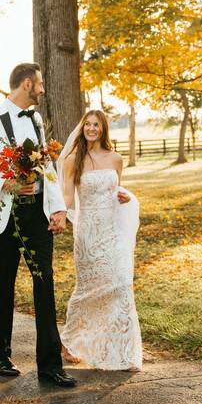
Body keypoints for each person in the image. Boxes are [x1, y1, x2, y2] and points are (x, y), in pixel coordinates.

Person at [0, 63, 76, 388]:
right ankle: (1, 354)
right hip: (3, 219)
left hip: (36, 218)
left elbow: (48, 166)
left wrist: (57, 209)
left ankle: (50, 367)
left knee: (45, 285)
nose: (42, 90)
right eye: (39, 84)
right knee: (2, 287)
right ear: (27, 84)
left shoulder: (36, 120)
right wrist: (6, 184)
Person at [57, 109, 143, 372]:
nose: (91, 129)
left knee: (120, 283)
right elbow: (69, 197)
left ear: (104, 129)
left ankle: (124, 352)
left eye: (96, 125)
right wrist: (60, 214)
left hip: (112, 230)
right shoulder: (74, 159)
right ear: (82, 128)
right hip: (88, 233)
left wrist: (125, 197)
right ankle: (68, 341)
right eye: (88, 125)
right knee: (87, 290)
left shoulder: (116, 159)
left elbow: (117, 190)